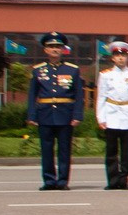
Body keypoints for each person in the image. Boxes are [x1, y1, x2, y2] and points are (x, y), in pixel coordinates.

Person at [25, 32, 84, 191]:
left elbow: (79, 94)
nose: (55, 50)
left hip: (66, 114)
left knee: (64, 150)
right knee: (46, 149)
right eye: (51, 47)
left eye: (58, 46)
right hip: (45, 114)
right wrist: (31, 115)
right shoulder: (38, 70)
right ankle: (49, 181)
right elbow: (32, 95)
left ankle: (63, 181)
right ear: (45, 50)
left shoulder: (72, 70)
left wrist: (77, 115)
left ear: (63, 49)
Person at [94, 40, 128, 189]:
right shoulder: (105, 75)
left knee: (126, 151)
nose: (120, 58)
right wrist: (101, 117)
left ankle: (124, 179)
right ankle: (113, 180)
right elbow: (101, 97)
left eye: (123, 55)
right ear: (112, 58)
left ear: (127, 57)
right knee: (111, 151)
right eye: (117, 55)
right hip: (111, 114)